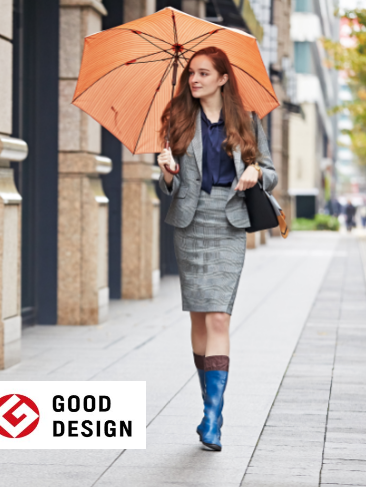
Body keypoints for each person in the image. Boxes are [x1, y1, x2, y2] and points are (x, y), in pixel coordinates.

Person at [157, 47, 278, 452]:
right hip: (190, 224)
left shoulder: (246, 120)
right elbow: (170, 184)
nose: (195, 80)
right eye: (192, 73)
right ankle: (211, 402)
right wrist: (166, 171)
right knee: (198, 321)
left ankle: (212, 417)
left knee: (219, 319)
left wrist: (254, 169)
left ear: (223, 78)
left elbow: (272, 172)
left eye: (204, 73)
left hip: (229, 222)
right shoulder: (177, 118)